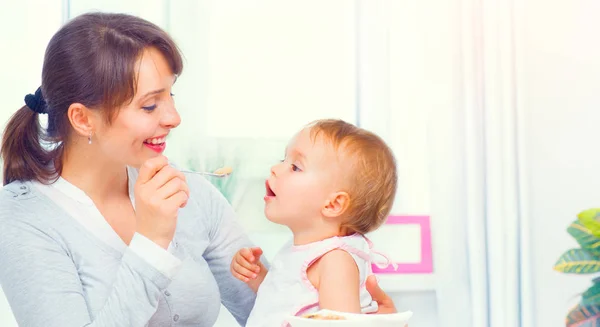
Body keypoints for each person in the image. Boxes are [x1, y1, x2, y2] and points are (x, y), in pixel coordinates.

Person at [0, 12, 397, 327]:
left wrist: (357, 316)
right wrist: (152, 242)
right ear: (83, 119)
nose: (173, 117)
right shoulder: (23, 218)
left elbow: (273, 312)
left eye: (170, 95)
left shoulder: (193, 194)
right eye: (150, 105)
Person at [230, 120, 398, 326]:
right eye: (283, 159)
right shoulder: (304, 250)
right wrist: (257, 276)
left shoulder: (335, 261)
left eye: (295, 167)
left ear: (334, 204)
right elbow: (287, 301)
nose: (274, 168)